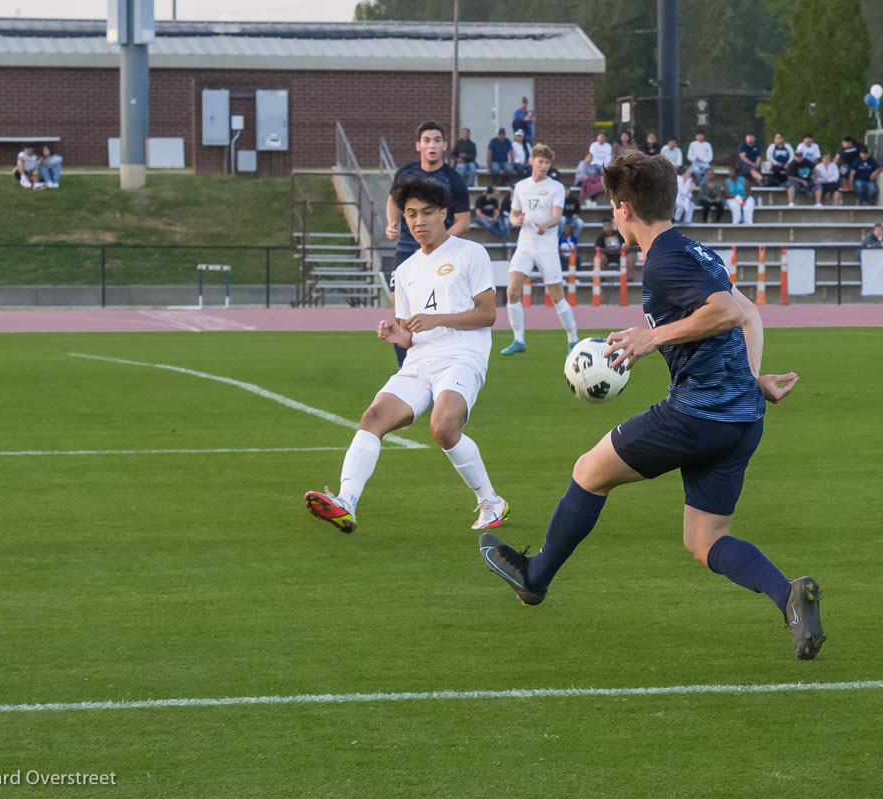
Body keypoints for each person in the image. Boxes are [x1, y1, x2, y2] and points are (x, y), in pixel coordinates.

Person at [477, 149, 823, 661]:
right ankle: (788, 595)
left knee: (589, 470)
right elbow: (750, 313)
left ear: (622, 210)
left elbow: (727, 312)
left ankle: (535, 577)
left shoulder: (663, 260)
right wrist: (752, 381)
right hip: (742, 419)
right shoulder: (697, 251)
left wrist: (651, 338)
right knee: (705, 540)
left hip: (696, 414)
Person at [305, 177, 507, 534]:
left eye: (427, 212)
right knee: (373, 417)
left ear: (444, 212)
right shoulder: (405, 270)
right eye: (411, 214)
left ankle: (490, 500)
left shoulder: (470, 253)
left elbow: (488, 314)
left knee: (443, 428)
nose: (419, 221)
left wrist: (437, 319)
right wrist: (395, 334)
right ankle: (345, 502)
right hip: (420, 362)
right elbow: (408, 336)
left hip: (462, 357)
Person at [386, 121, 472, 366]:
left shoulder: (453, 180)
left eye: (436, 140)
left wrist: (437, 241)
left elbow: (464, 221)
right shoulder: (406, 173)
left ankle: (442, 366)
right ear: (418, 145)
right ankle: (407, 371)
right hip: (406, 251)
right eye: (427, 140)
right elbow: (393, 201)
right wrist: (391, 224)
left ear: (444, 146)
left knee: (436, 310)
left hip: (439, 255)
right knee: (401, 314)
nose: (432, 145)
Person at [500, 144, 577, 356]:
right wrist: (516, 219)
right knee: (512, 291)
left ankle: (573, 338)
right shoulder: (521, 186)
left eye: (547, 163)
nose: (544, 166)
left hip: (546, 247)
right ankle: (518, 339)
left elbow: (557, 216)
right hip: (524, 245)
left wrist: (547, 225)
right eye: (540, 161)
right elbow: (513, 214)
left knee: (556, 296)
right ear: (532, 161)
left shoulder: (556, 187)